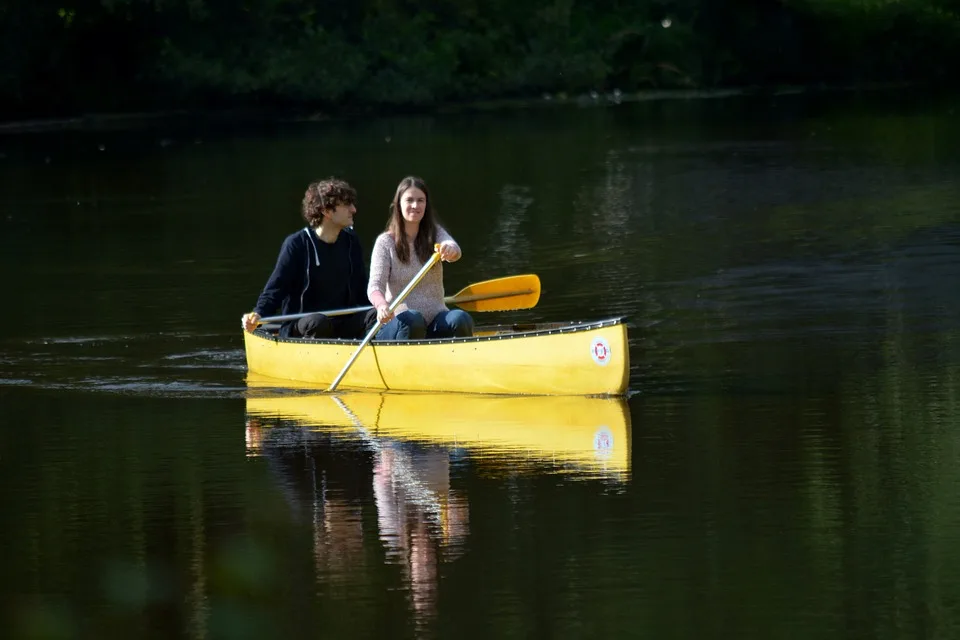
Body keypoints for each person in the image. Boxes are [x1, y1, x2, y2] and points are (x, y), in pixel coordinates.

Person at [241, 178, 376, 339]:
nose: (353, 209)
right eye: (346, 204)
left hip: (343, 323)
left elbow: (362, 288)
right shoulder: (297, 244)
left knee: (375, 315)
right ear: (326, 211)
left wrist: (380, 309)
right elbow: (276, 289)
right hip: (303, 325)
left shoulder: (351, 242)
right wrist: (258, 314)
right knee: (318, 322)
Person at [367, 176, 474, 340]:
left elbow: (454, 248)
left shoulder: (435, 233)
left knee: (461, 319)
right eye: (409, 200)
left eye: (420, 200)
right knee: (414, 320)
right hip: (400, 323)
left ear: (426, 205)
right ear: (399, 205)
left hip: (436, 320)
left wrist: (450, 249)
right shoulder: (385, 242)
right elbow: (374, 286)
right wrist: (381, 305)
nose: (415, 206)